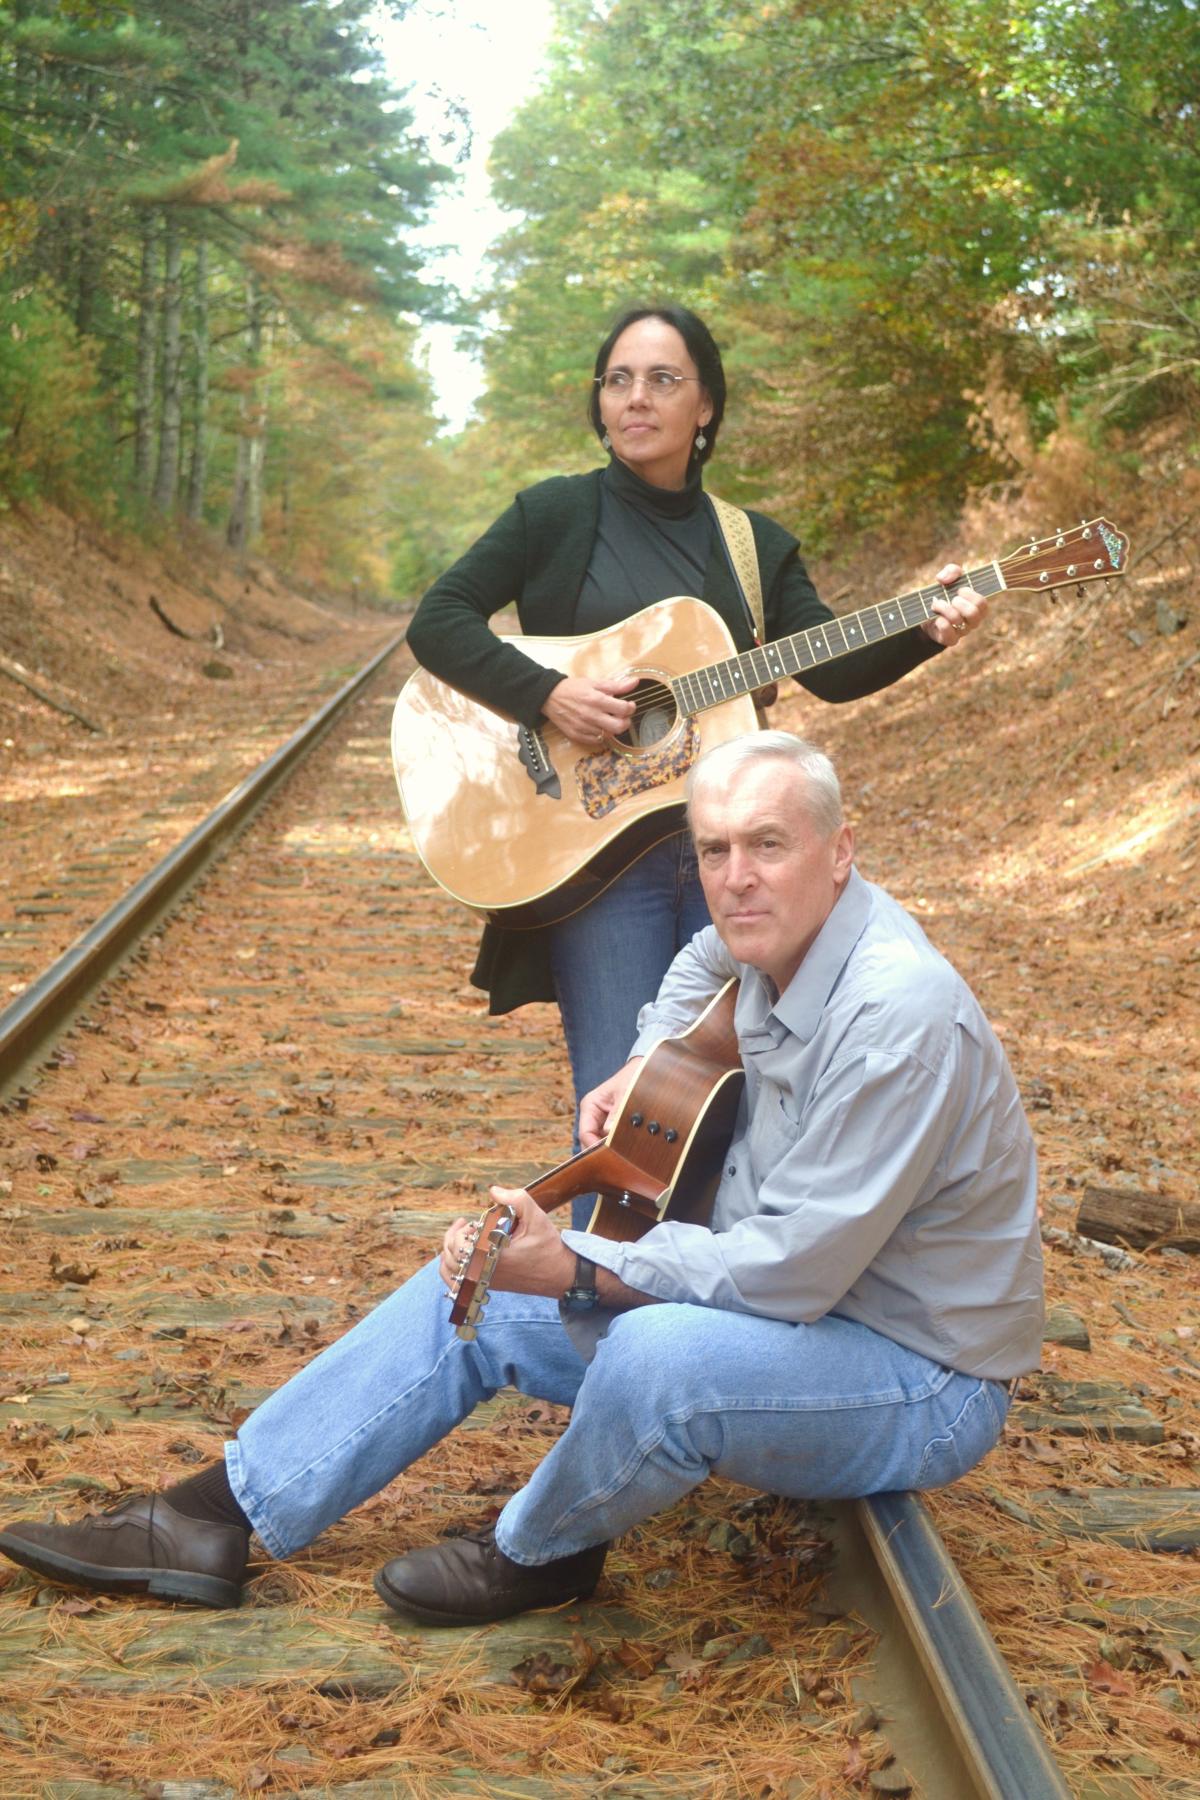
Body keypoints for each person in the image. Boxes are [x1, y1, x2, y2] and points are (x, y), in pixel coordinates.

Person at [0, 732, 1043, 1621]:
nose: (737, 877)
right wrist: (650, 1054)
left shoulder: (897, 1016)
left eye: (768, 845)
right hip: (803, 1317)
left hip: (912, 1371)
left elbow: (791, 1273)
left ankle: (539, 1553)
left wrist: (581, 1271)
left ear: (840, 851)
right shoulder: (776, 926)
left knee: (656, 1359)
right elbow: (695, 964)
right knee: (486, 1276)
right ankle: (209, 1518)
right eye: (715, 848)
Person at [404, 304, 990, 1227]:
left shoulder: (749, 546)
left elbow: (827, 667)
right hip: (599, 861)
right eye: (618, 379)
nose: (636, 398)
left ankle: (714, 1308)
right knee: (624, 1104)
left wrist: (924, 629)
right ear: (600, 401)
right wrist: (546, 696)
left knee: (743, 1091)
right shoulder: (555, 515)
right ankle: (598, 1306)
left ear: (706, 406)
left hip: (735, 856)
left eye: (663, 379)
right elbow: (437, 622)